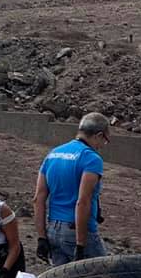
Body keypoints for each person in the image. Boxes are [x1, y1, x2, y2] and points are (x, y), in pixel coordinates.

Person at [34, 112, 109, 266]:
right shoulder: (91, 159)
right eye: (105, 140)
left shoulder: (53, 154)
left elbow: (38, 199)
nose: (103, 146)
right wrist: (81, 245)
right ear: (99, 135)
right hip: (77, 230)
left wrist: (41, 237)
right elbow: (82, 201)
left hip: (53, 229)